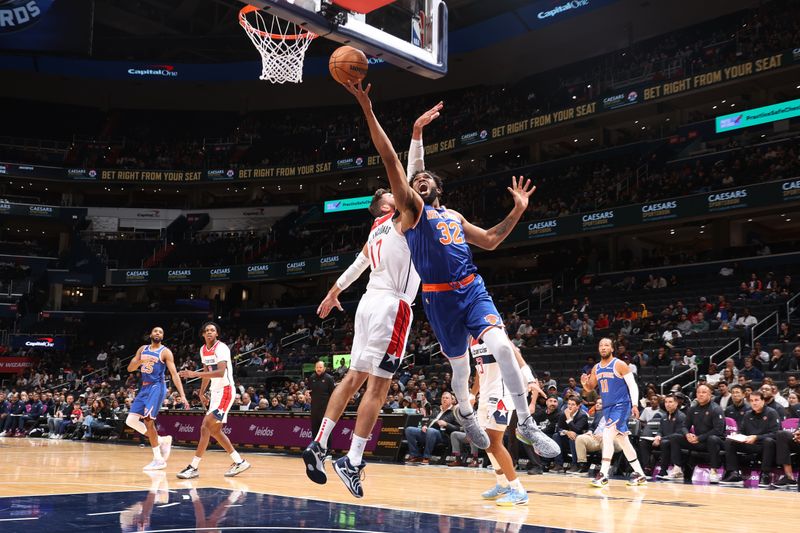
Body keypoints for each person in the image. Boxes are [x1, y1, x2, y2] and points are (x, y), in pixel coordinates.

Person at [343, 80, 558, 460]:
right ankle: (464, 410)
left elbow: (491, 240)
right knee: (460, 370)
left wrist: (519, 210)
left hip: (472, 289)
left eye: (425, 179)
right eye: (415, 181)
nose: (419, 181)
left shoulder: (454, 215)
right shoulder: (411, 213)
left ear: (437, 187)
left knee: (504, 349)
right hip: (439, 298)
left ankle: (526, 423)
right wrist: (372, 110)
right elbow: (393, 160)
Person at [303, 103, 434, 494]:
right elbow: (410, 171)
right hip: (393, 304)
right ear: (389, 204)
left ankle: (319, 443)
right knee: (377, 388)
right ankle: (354, 459)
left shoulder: (375, 230)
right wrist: (415, 134)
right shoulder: (404, 215)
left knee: (353, 377)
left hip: (366, 303)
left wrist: (332, 292)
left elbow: (355, 267)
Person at [177, 322, 251, 479]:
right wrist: (202, 392)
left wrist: (193, 374)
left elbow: (220, 372)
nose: (210, 332)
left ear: (217, 334)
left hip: (226, 390)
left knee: (205, 426)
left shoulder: (222, 348)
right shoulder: (203, 350)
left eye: (213, 330)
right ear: (203, 334)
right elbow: (207, 372)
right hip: (215, 392)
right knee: (215, 431)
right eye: (207, 330)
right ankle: (239, 462)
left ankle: (193, 467)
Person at [470, 338, 537, 506]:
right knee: (485, 443)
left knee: (494, 442)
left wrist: (530, 380)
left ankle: (518, 490)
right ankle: (502, 483)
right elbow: (480, 371)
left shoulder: (492, 329)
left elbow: (517, 355)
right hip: (484, 396)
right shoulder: (471, 339)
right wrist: (473, 394)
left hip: (501, 394)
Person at [580, 337, 646, 487]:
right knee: (623, 440)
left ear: (612, 348)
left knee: (607, 433)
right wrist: (584, 383)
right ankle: (640, 474)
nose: (603, 347)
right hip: (608, 408)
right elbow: (590, 388)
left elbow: (633, 385)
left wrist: (635, 404)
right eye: (601, 345)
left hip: (621, 406)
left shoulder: (619, 364)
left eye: (606, 345)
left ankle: (603, 474)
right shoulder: (596, 368)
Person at [125, 326, 188, 470]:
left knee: (148, 421)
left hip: (157, 387)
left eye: (160, 332)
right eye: (155, 331)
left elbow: (174, 374)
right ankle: (162, 440)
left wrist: (182, 395)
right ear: (151, 334)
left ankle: (158, 459)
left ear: (162, 336)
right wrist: (140, 361)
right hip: (144, 387)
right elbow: (130, 369)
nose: (157, 333)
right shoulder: (143, 349)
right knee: (131, 420)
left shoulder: (165, 352)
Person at [658, 383, 725, 483]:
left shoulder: (716, 409)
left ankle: (714, 471)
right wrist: (687, 434)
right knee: (675, 437)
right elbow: (685, 426)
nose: (700, 394)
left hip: (714, 441)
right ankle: (678, 469)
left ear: (710, 394)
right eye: (698, 392)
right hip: (697, 441)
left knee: (713, 439)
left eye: (704, 392)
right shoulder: (693, 409)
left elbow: (718, 430)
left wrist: (699, 438)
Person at [720, 391, 779, 487]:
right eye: (751, 400)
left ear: (763, 401)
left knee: (769, 442)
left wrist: (756, 437)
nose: (754, 403)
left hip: (764, 444)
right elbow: (742, 432)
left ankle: (765, 474)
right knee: (729, 441)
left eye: (756, 400)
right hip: (750, 444)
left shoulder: (771, 413)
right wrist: (737, 435)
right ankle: (734, 473)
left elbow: (776, 434)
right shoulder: (748, 414)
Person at [637, 393, 686, 476]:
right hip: (663, 440)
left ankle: (663, 470)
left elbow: (678, 434)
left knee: (665, 442)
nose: (668, 404)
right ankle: (647, 468)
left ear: (676, 403)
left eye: (670, 402)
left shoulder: (681, 416)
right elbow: (660, 430)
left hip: (675, 442)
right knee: (643, 442)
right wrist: (658, 435)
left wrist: (660, 438)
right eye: (666, 402)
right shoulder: (663, 417)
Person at [404, 392, 459, 464]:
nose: (444, 399)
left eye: (447, 398)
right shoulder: (436, 409)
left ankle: (427, 456)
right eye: (443, 398)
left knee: (431, 431)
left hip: (442, 435)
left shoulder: (454, 411)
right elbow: (429, 419)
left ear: (451, 400)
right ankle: (415, 455)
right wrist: (425, 425)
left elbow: (457, 428)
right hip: (428, 431)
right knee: (409, 430)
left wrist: (446, 424)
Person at [307, 360, 335, 442]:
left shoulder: (329, 378)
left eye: (320, 367)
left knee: (326, 430)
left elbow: (332, 394)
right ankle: (315, 449)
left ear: (324, 368)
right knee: (315, 429)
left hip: (325, 409)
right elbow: (310, 391)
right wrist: (308, 394)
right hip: (314, 408)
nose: (318, 369)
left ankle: (328, 450)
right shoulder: (312, 378)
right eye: (317, 367)